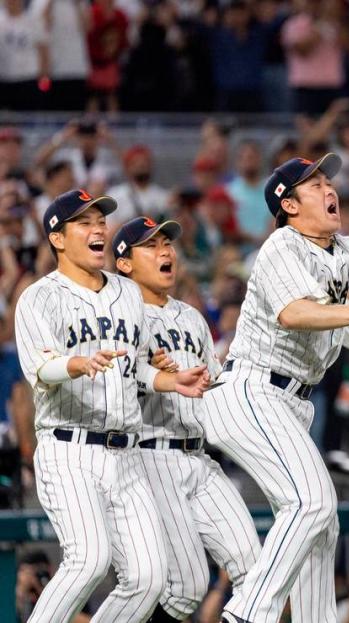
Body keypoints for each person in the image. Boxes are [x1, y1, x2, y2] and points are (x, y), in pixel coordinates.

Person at [14, 189, 209, 622]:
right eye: (84, 222)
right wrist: (76, 363)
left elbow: (136, 366)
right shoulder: (38, 297)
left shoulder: (127, 294)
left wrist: (169, 380)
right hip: (70, 447)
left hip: (127, 454)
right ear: (58, 238)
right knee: (88, 560)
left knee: (149, 578)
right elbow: (40, 368)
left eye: (100, 220)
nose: (98, 228)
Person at [203, 155, 349, 623]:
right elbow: (295, 313)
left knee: (322, 525)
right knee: (311, 502)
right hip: (251, 390)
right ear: (289, 203)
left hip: (291, 402)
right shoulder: (282, 243)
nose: (329, 190)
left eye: (329, 181)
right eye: (315, 184)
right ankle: (245, 614)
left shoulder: (344, 249)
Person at [111, 216, 261, 623]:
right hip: (151, 454)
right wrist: (148, 371)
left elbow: (213, 387)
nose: (166, 252)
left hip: (199, 455)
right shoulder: (120, 316)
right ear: (124, 263)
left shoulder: (191, 317)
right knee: (184, 590)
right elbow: (108, 388)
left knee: (257, 569)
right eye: (151, 246)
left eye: (167, 244)